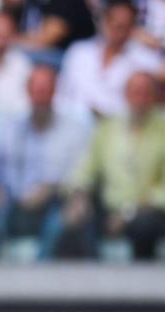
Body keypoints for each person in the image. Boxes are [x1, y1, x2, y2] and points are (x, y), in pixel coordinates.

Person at [0, 65, 91, 259]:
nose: (41, 96)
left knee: (60, 222)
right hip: (12, 205)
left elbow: (81, 176)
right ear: (28, 92)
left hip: (55, 203)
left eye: (46, 90)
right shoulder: (8, 128)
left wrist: (50, 188)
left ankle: (40, 282)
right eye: (37, 90)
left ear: (54, 91)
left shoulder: (75, 130)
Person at [60, 72, 165, 260]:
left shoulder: (162, 129)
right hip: (110, 209)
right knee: (76, 218)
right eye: (135, 93)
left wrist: (128, 214)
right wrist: (78, 194)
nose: (140, 99)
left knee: (144, 225)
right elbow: (86, 169)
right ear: (126, 95)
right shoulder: (108, 128)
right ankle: (91, 284)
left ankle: (141, 286)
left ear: (155, 97)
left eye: (145, 93)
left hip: (149, 213)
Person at [57, 0, 161, 117]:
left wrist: (157, 43)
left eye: (124, 26)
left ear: (132, 27)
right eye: (115, 25)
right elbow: (62, 93)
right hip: (75, 121)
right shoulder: (79, 52)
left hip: (117, 127)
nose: (119, 32)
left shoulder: (143, 58)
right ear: (104, 22)